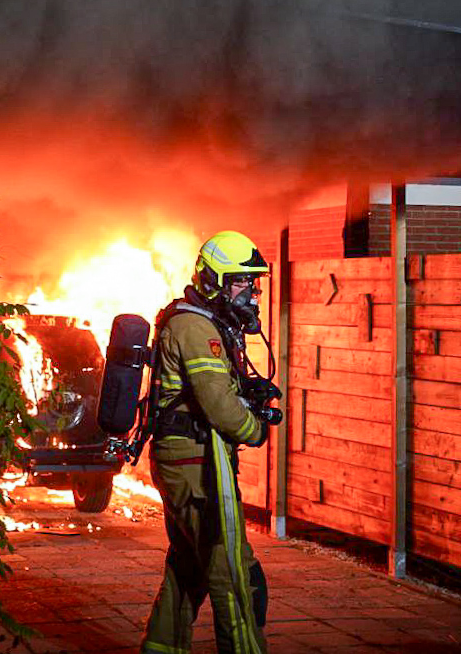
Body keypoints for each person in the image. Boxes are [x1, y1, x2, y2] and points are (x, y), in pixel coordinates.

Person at [141, 230, 274, 654]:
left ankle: (162, 647)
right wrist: (255, 429)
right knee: (234, 575)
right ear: (214, 280)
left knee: (188, 569)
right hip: (197, 466)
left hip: (188, 461)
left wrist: (248, 392)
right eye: (241, 281)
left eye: (252, 282)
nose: (249, 292)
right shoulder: (195, 327)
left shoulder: (203, 321)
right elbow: (218, 406)